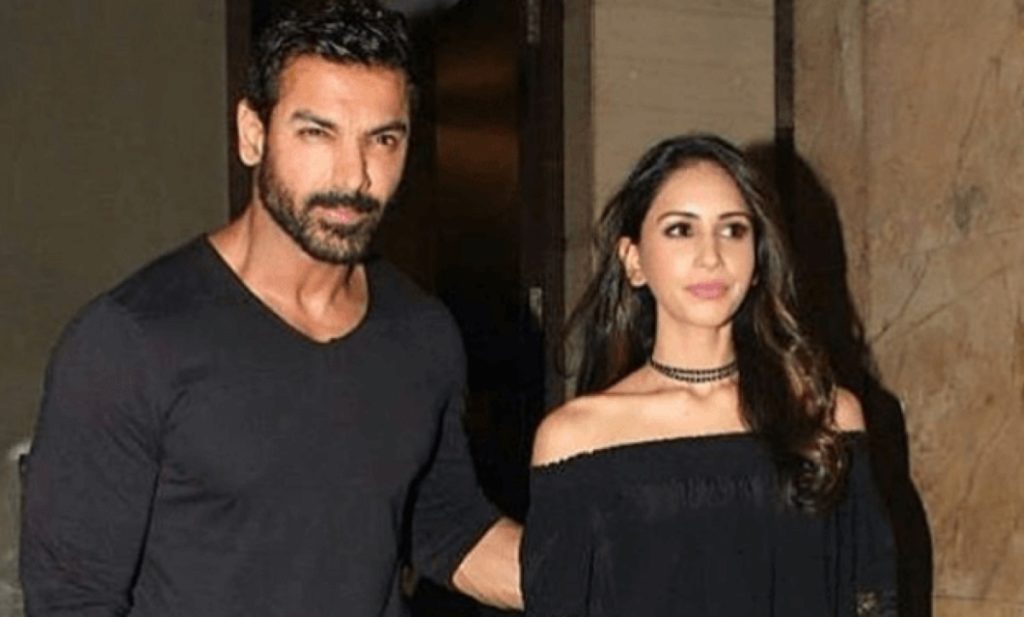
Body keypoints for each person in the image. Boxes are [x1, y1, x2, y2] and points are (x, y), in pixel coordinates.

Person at [19, 3, 521, 615]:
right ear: (252, 134)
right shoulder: (130, 341)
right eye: (317, 133)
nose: (354, 175)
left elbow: (446, 525)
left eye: (382, 140)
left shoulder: (422, 333)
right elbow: (71, 600)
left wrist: (602, 577)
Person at [521, 134, 896, 616]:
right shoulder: (577, 438)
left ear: (758, 259)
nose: (711, 256)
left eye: (733, 230)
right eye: (681, 229)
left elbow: (869, 595)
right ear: (634, 261)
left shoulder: (825, 416)